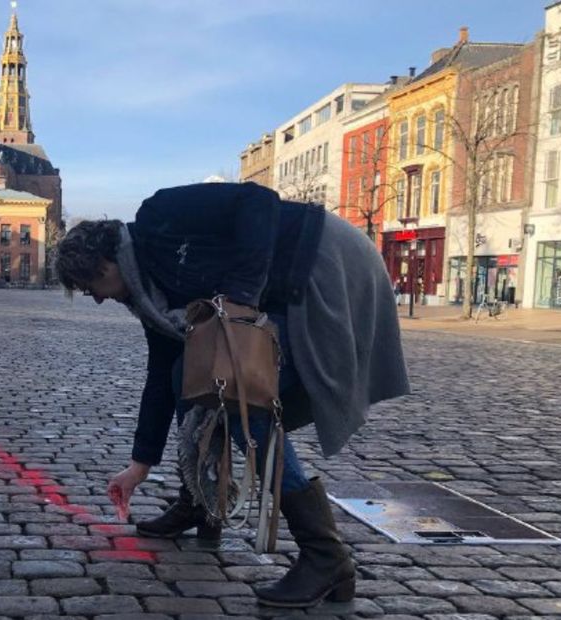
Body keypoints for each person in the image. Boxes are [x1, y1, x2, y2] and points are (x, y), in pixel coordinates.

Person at [54, 182, 409, 609]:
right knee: (188, 372)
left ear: (106, 262)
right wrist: (138, 466)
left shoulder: (159, 215)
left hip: (322, 264)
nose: (95, 299)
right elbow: (160, 379)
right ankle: (202, 504)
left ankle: (325, 556)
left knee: (241, 396)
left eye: (90, 285)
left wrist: (240, 300)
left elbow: (258, 202)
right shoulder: (152, 297)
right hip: (289, 283)